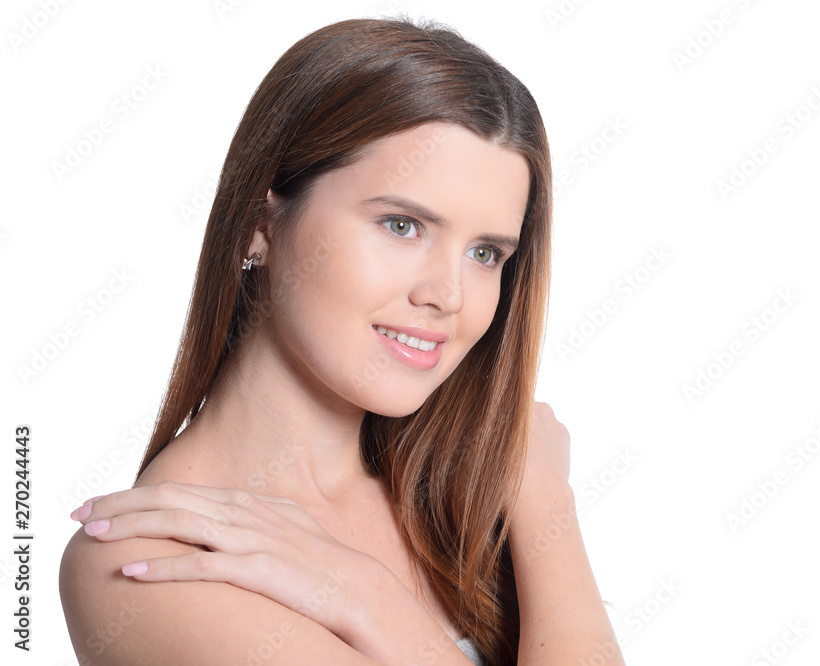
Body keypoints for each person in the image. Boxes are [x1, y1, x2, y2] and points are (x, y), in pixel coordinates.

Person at [59, 16, 623, 665]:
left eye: (486, 253)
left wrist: (541, 498)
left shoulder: (467, 499)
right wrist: (370, 598)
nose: (449, 295)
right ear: (259, 224)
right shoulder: (150, 562)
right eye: (402, 224)